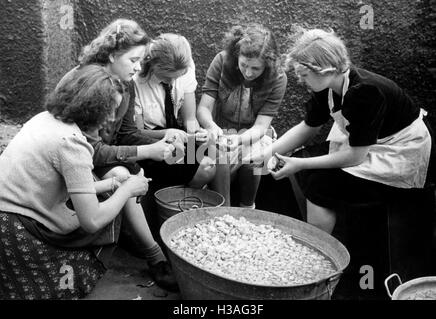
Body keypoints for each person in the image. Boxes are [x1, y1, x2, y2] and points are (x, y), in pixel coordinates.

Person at [0, 65, 176, 300]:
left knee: (116, 184)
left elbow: (52, 186)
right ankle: (154, 259)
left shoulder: (44, 119)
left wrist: (113, 185)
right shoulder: (71, 143)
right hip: (20, 233)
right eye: (110, 109)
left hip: (9, 217)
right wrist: (126, 190)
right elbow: (92, 220)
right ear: (93, 108)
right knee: (108, 211)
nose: (113, 118)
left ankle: (155, 257)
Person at [248, 27, 435, 234]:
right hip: (369, 144)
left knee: (320, 183)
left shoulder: (365, 92)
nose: (302, 81)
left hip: (399, 152)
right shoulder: (328, 86)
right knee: (297, 160)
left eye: (305, 75)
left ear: (325, 70)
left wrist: (299, 164)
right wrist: (267, 154)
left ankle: (317, 249)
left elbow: (355, 156)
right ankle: (290, 232)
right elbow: (308, 127)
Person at [56, 19, 179, 290]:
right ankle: (155, 256)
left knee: (130, 171)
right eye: (134, 59)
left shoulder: (126, 82)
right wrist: (148, 150)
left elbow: (125, 133)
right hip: (73, 161)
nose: (138, 67)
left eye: (141, 60)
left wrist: (166, 134)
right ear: (112, 54)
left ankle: (148, 246)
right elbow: (93, 152)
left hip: (97, 155)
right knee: (123, 174)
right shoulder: (89, 84)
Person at [197, 24, 287, 207]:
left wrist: (239, 140)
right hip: (219, 129)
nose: (248, 72)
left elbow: (261, 126)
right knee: (212, 154)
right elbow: (203, 109)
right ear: (236, 55)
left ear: (267, 66)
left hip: (254, 134)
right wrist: (211, 126)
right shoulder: (222, 61)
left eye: (255, 68)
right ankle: (221, 208)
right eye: (244, 64)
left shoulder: (278, 78)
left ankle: (248, 207)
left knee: (254, 159)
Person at [133, 33, 215, 190]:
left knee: (216, 153)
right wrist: (168, 133)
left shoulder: (186, 69)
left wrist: (197, 133)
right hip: (153, 142)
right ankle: (178, 201)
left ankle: (225, 208)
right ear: (153, 66)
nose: (172, 82)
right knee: (206, 167)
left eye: (178, 77)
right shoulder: (136, 80)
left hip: (177, 136)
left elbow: (189, 120)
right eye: (166, 77)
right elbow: (136, 133)